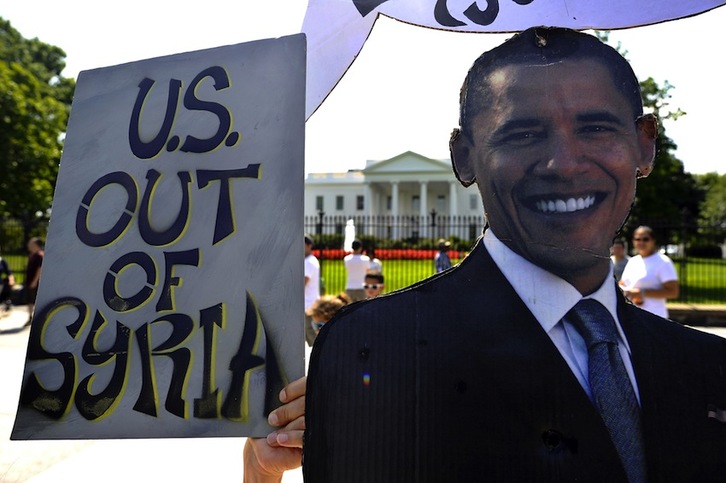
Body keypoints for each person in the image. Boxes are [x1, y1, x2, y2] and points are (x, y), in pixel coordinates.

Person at [244, 27, 726, 482]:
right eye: (522, 134)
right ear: (465, 157)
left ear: (644, 145)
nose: (564, 163)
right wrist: (260, 471)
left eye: (596, 127)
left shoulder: (709, 366)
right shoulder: (377, 352)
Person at [620, 226, 680, 318]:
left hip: (654, 318)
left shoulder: (663, 262)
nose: (641, 242)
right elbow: (623, 283)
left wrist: (642, 293)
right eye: (637, 239)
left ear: (653, 241)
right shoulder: (633, 261)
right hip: (631, 317)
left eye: (645, 239)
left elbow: (673, 292)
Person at [304, 235, 321, 347]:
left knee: (312, 338)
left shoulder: (309, 262)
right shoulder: (310, 260)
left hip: (308, 305)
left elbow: (303, 282)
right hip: (309, 303)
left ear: (309, 246)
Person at [24, 237, 44, 327]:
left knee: (34, 300)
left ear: (35, 245)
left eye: (31, 243)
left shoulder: (39, 255)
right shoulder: (32, 255)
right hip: (29, 280)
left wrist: (35, 281)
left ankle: (35, 318)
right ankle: (30, 317)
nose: (28, 245)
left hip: (35, 282)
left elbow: (39, 269)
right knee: (29, 300)